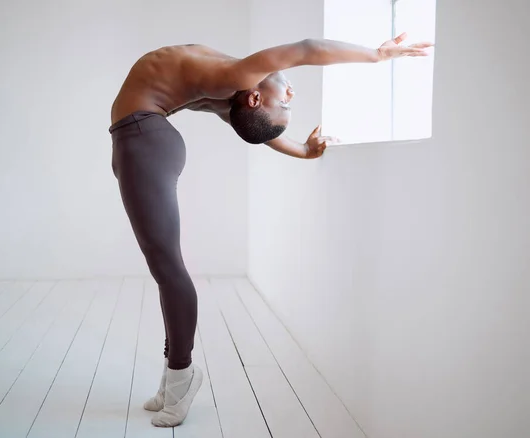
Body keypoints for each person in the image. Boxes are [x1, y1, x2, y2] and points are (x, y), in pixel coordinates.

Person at [109, 32, 433, 427]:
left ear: (254, 97)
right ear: (254, 97)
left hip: (143, 137)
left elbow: (261, 110)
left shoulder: (235, 78)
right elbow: (306, 51)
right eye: (287, 104)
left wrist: (303, 148)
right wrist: (377, 55)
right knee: (166, 271)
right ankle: (171, 380)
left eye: (285, 104)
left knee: (169, 271)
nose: (291, 95)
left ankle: (181, 376)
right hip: (143, 137)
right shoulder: (231, 84)